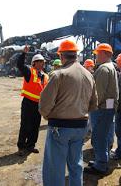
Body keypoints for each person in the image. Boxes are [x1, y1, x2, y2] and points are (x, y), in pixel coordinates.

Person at [39, 40, 98, 186]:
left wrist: (48, 116)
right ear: (76, 55)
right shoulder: (89, 75)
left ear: (61, 55)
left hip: (60, 127)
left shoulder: (58, 74)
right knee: (76, 165)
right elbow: (94, 103)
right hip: (80, 127)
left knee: (55, 168)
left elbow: (45, 104)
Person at [84, 43, 119, 174]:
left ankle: (101, 165)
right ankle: (101, 160)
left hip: (101, 109)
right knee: (102, 136)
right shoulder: (111, 67)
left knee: (99, 137)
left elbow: (98, 93)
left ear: (104, 54)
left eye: (98, 53)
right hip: (107, 108)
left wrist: (90, 107)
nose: (96, 56)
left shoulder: (104, 69)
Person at [16, 45, 49, 156]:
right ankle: (21, 146)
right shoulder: (29, 72)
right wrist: (23, 54)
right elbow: (19, 65)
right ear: (34, 63)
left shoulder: (45, 76)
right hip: (28, 103)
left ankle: (31, 145)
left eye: (43, 62)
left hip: (38, 105)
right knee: (25, 125)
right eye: (39, 61)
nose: (42, 63)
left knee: (35, 126)